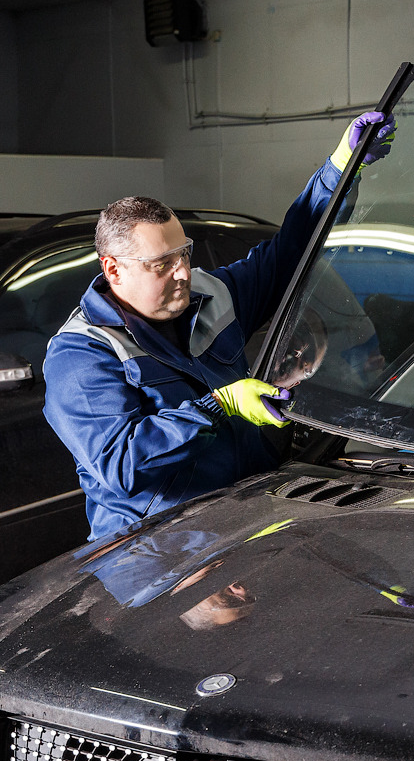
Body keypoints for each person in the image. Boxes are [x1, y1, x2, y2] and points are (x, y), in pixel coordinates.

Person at [44, 111, 394, 541]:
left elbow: (291, 253)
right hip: (156, 551)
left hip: (245, 522)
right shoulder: (82, 355)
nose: (183, 274)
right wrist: (220, 406)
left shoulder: (214, 296)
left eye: (184, 254)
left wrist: (340, 169)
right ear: (114, 269)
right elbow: (120, 464)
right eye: (162, 264)